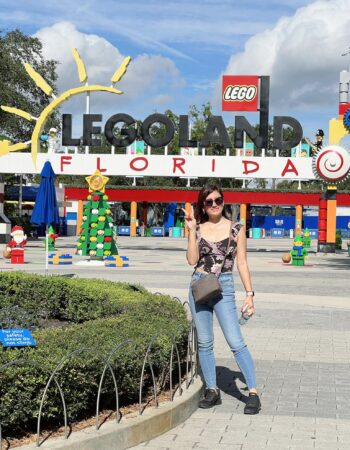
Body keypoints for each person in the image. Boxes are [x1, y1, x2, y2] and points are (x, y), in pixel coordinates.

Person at [182, 184, 261, 414]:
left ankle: (253, 392)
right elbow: (191, 260)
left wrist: (250, 294)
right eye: (209, 202)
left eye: (218, 200)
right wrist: (191, 231)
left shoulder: (236, 228)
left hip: (223, 286)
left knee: (235, 342)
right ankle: (213, 390)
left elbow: (243, 262)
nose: (215, 204)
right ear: (203, 206)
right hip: (198, 285)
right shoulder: (197, 227)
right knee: (205, 343)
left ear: (223, 202)